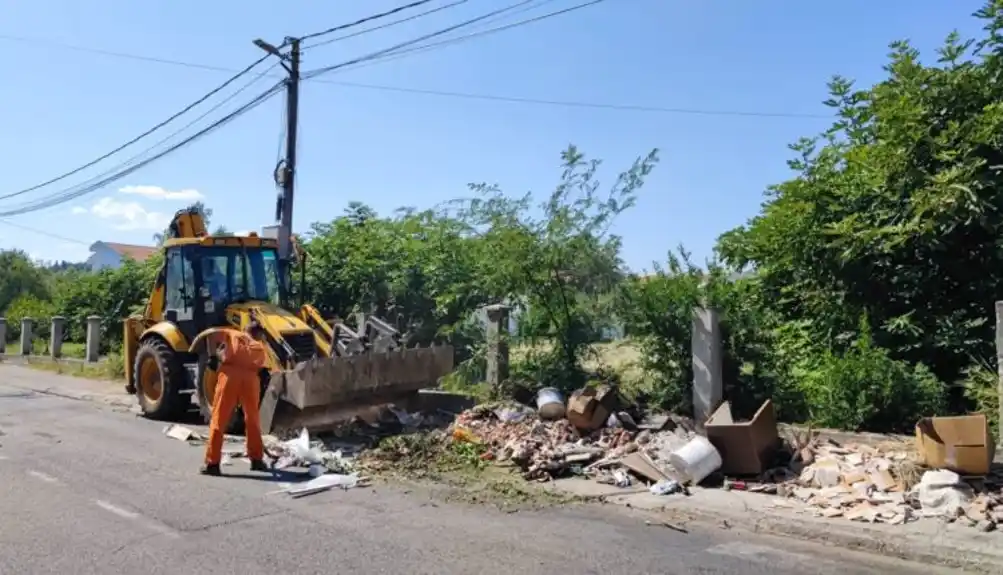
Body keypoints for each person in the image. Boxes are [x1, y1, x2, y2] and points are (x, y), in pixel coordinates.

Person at [200, 319, 270, 476]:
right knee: (252, 419)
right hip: (251, 379)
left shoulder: (234, 333)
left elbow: (211, 334)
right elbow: (263, 366)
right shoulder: (260, 346)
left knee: (219, 418)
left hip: (230, 376)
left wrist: (212, 357)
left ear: (245, 329)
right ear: (259, 334)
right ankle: (256, 460)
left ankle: (213, 463)